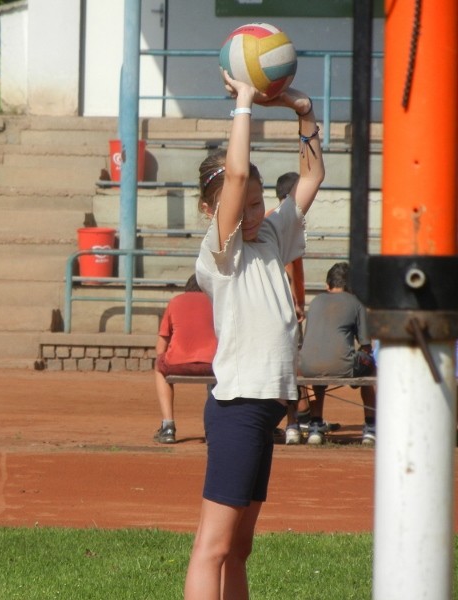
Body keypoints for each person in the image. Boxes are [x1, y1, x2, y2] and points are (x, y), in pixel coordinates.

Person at [185, 69, 324, 600]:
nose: (251, 212)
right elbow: (237, 174)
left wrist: (303, 111)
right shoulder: (219, 252)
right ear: (211, 210)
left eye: (257, 201)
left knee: (239, 548)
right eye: (240, 204)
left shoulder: (270, 233)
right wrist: (243, 102)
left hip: (266, 407)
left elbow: (311, 176)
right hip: (239, 405)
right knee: (213, 546)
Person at [298, 262, 377, 446]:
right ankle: (370, 426)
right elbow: (366, 345)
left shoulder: (315, 301)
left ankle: (315, 424)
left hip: (307, 366)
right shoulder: (356, 303)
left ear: (327, 285)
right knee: (372, 366)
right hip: (342, 365)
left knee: (320, 367)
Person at [272, 172, 313, 444]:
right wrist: (297, 304)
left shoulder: (271, 219)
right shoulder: (285, 224)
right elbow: (291, 273)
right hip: (284, 307)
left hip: (278, 305)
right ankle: (294, 421)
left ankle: (297, 418)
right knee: (288, 365)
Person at [153, 274, 217, 444]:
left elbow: (160, 347)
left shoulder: (175, 301)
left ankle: (167, 426)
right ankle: (214, 429)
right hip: (213, 365)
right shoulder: (218, 302)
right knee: (220, 375)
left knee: (159, 367)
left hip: (177, 364)